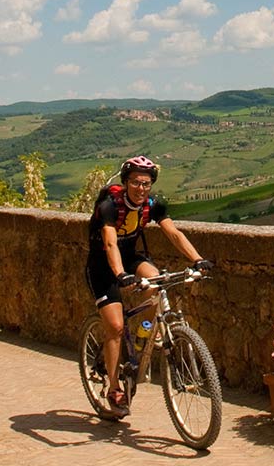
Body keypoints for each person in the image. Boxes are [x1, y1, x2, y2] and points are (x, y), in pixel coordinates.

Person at [86, 155, 211, 418]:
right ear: (126, 182)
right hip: (102, 265)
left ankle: (144, 336)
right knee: (116, 327)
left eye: (146, 183)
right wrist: (120, 274)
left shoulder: (153, 205)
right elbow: (109, 243)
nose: (141, 188)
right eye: (135, 183)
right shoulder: (110, 206)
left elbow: (174, 234)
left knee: (156, 281)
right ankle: (113, 387)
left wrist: (197, 259)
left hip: (131, 255)